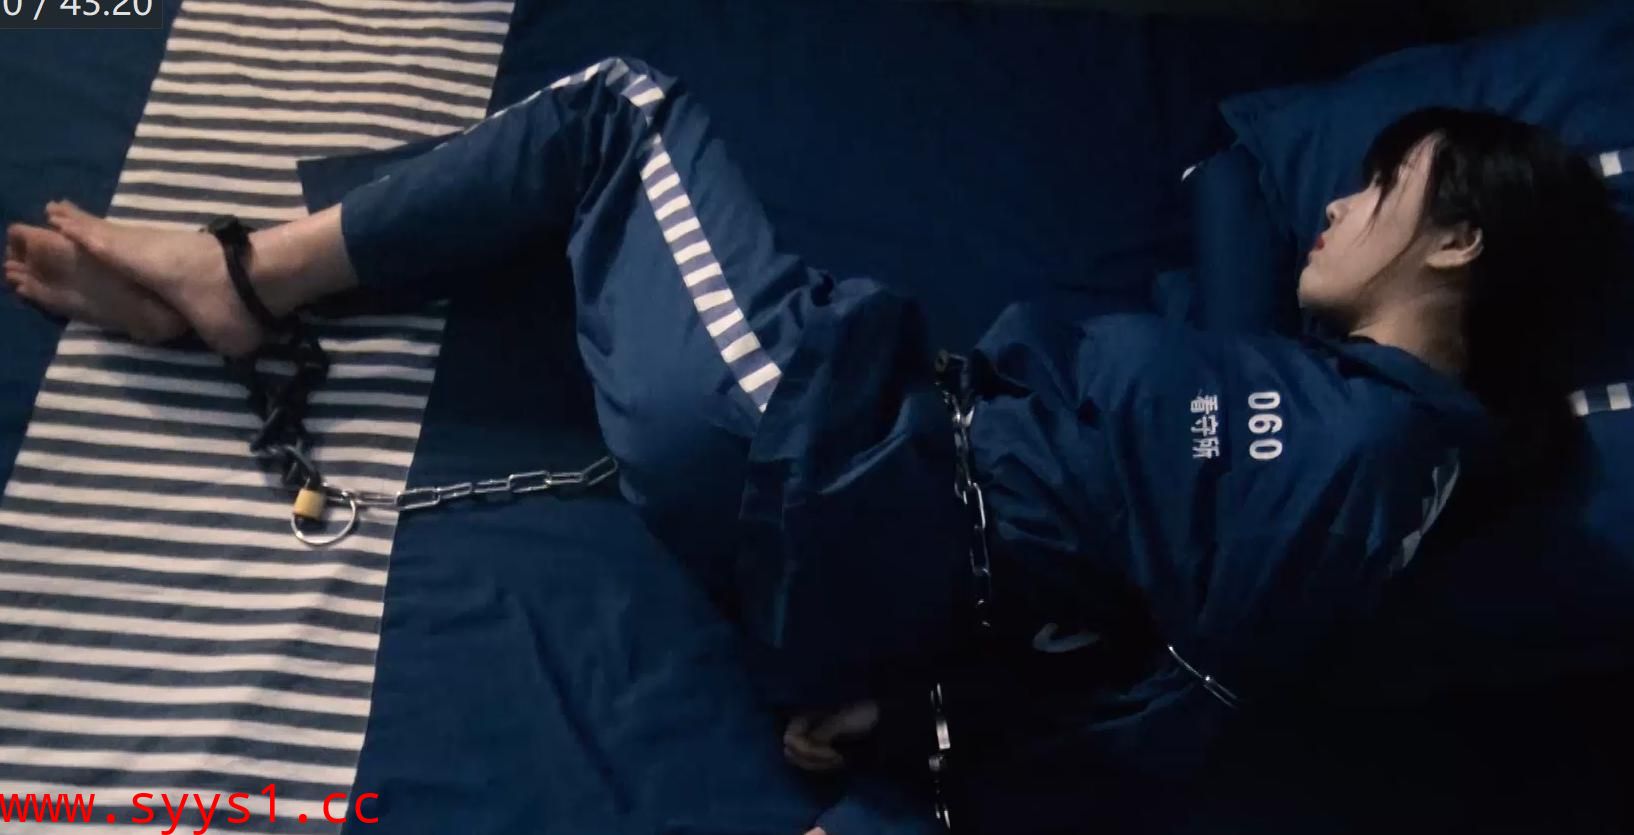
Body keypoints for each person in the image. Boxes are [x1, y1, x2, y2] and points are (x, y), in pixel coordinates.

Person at [4, 57, 1623, 829]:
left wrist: (919, 740)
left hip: (818, 457)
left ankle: (238, 280)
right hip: (855, 479)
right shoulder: (1314, 391)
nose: (1342, 200)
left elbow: (1175, 706)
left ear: (1457, 239)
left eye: (1383, 185)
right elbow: (1228, 178)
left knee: (618, 112)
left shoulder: (1366, 464)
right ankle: (239, 274)